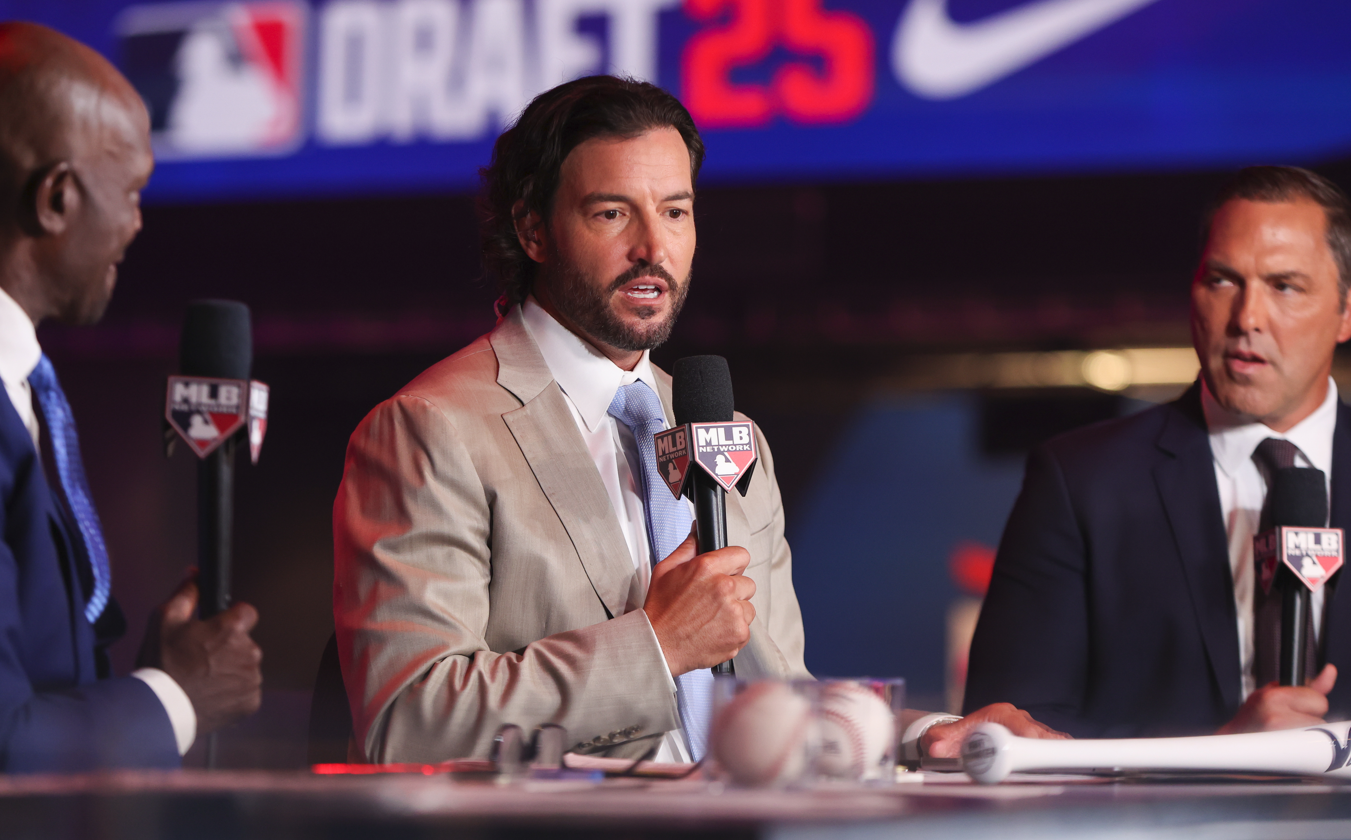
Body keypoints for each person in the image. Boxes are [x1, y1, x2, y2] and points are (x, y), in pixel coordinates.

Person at [333, 75, 1060, 765]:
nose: (654, 247)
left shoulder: (730, 432)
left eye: (675, 211)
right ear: (533, 229)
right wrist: (655, 645)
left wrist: (931, 736)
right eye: (612, 212)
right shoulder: (432, 428)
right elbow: (409, 722)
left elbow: (777, 703)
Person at [0, 22, 263, 775]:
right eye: (129, 191)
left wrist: (143, 679)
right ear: (56, 198)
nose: (136, 223)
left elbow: (15, 682)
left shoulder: (3, 376)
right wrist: (176, 696)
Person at [966, 166, 1351, 738]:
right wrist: (1220, 755)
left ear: (1346, 311)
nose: (1247, 318)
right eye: (1222, 280)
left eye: (1284, 286)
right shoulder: (1081, 482)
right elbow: (1007, 736)